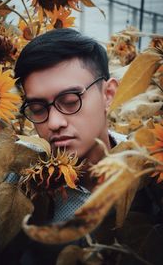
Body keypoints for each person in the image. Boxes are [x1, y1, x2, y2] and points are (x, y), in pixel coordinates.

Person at [13, 28, 163, 265]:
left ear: (108, 94)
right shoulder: (20, 177)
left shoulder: (150, 169)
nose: (54, 123)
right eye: (38, 109)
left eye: (71, 101)